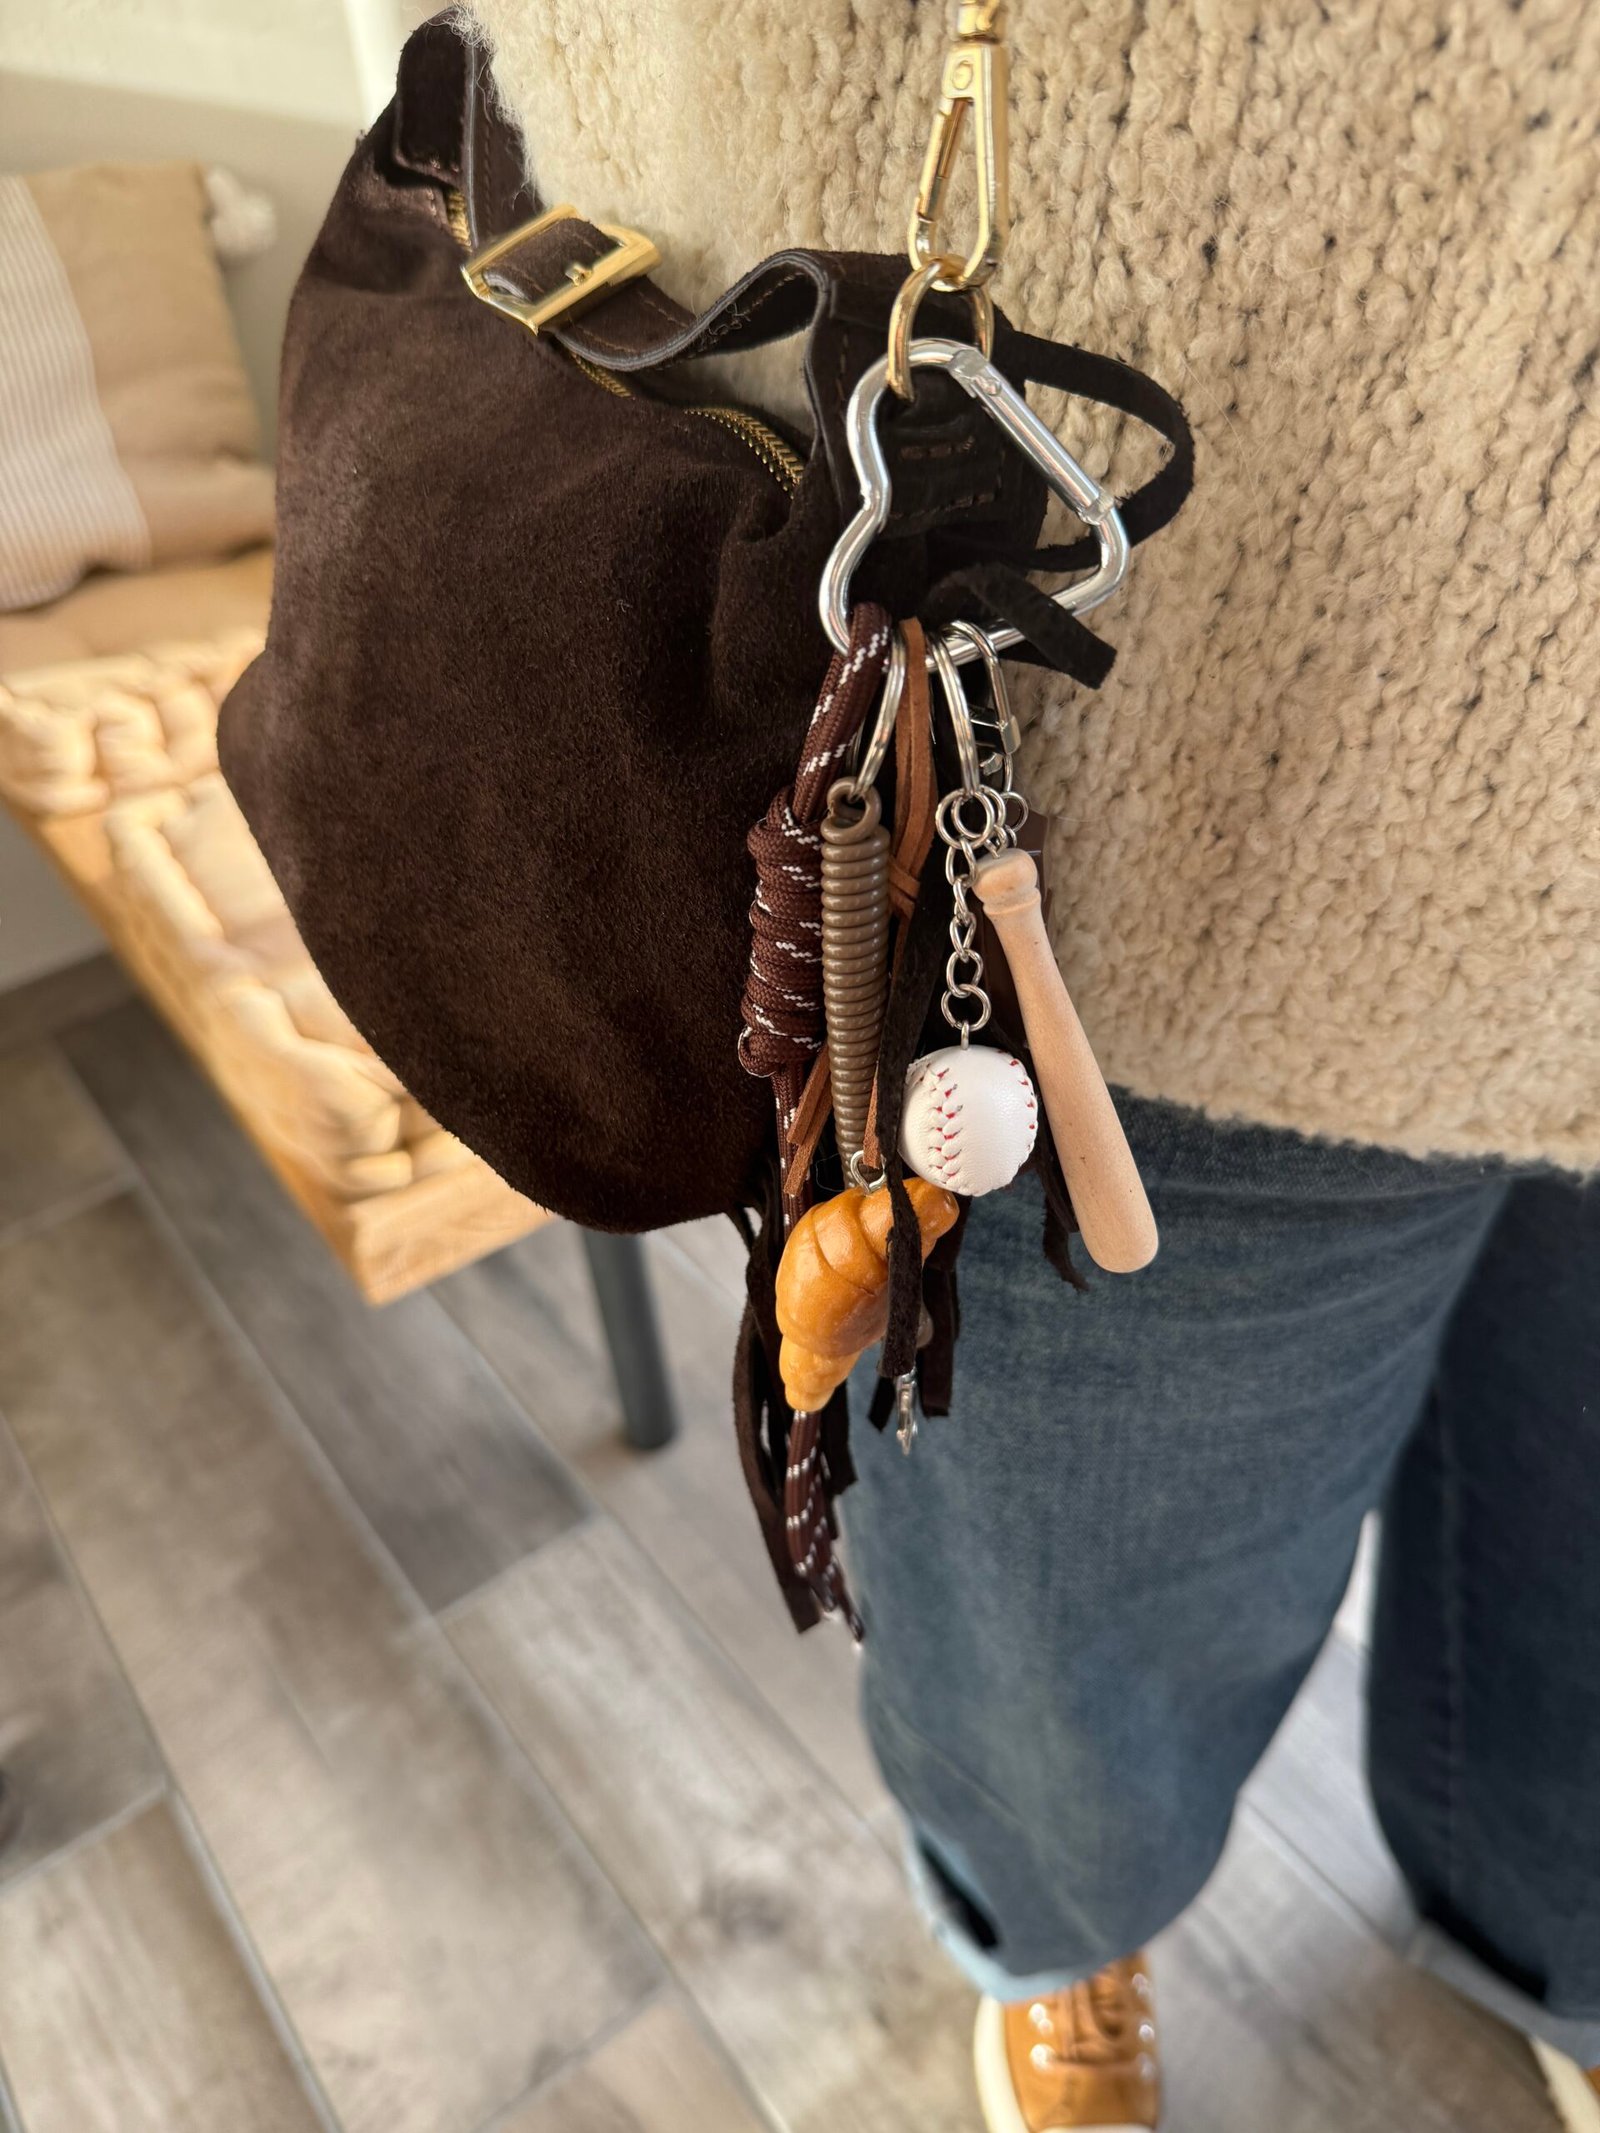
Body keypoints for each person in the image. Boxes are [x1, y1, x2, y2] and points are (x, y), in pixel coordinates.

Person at [465, 4, 1600, 2125]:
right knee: (1072, 1617)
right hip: (1208, 847)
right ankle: (1058, 1935)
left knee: (1581, 1527)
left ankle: (1563, 1925)